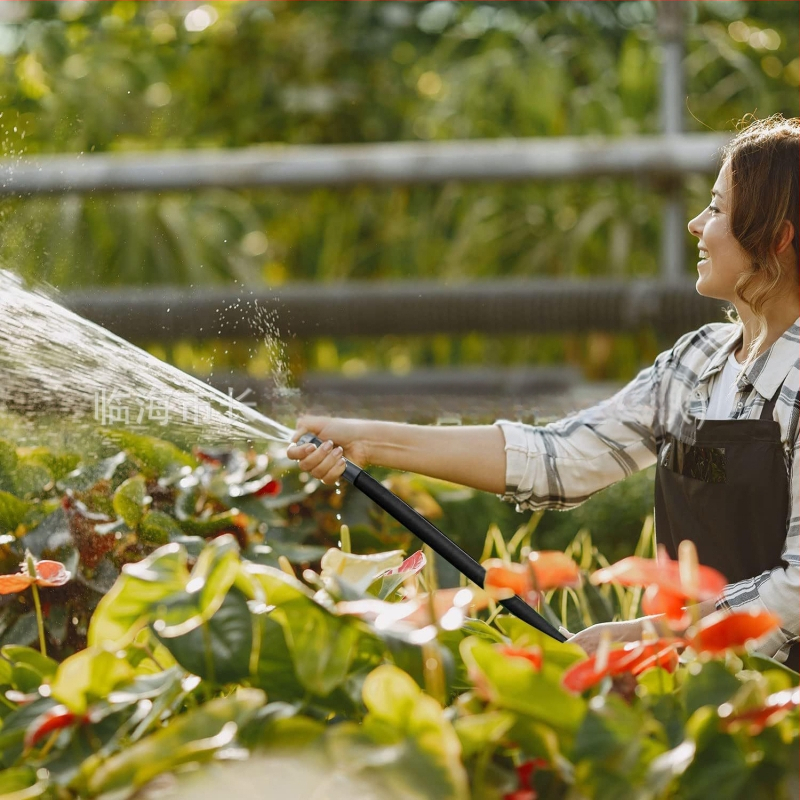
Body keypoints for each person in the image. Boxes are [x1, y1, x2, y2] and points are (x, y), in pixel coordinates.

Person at [287, 114, 799, 668]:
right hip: (692, 694)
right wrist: (365, 442)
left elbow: (796, 594)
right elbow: (559, 457)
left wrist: (645, 638)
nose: (697, 224)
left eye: (718, 208)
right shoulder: (694, 365)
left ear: (775, 238)